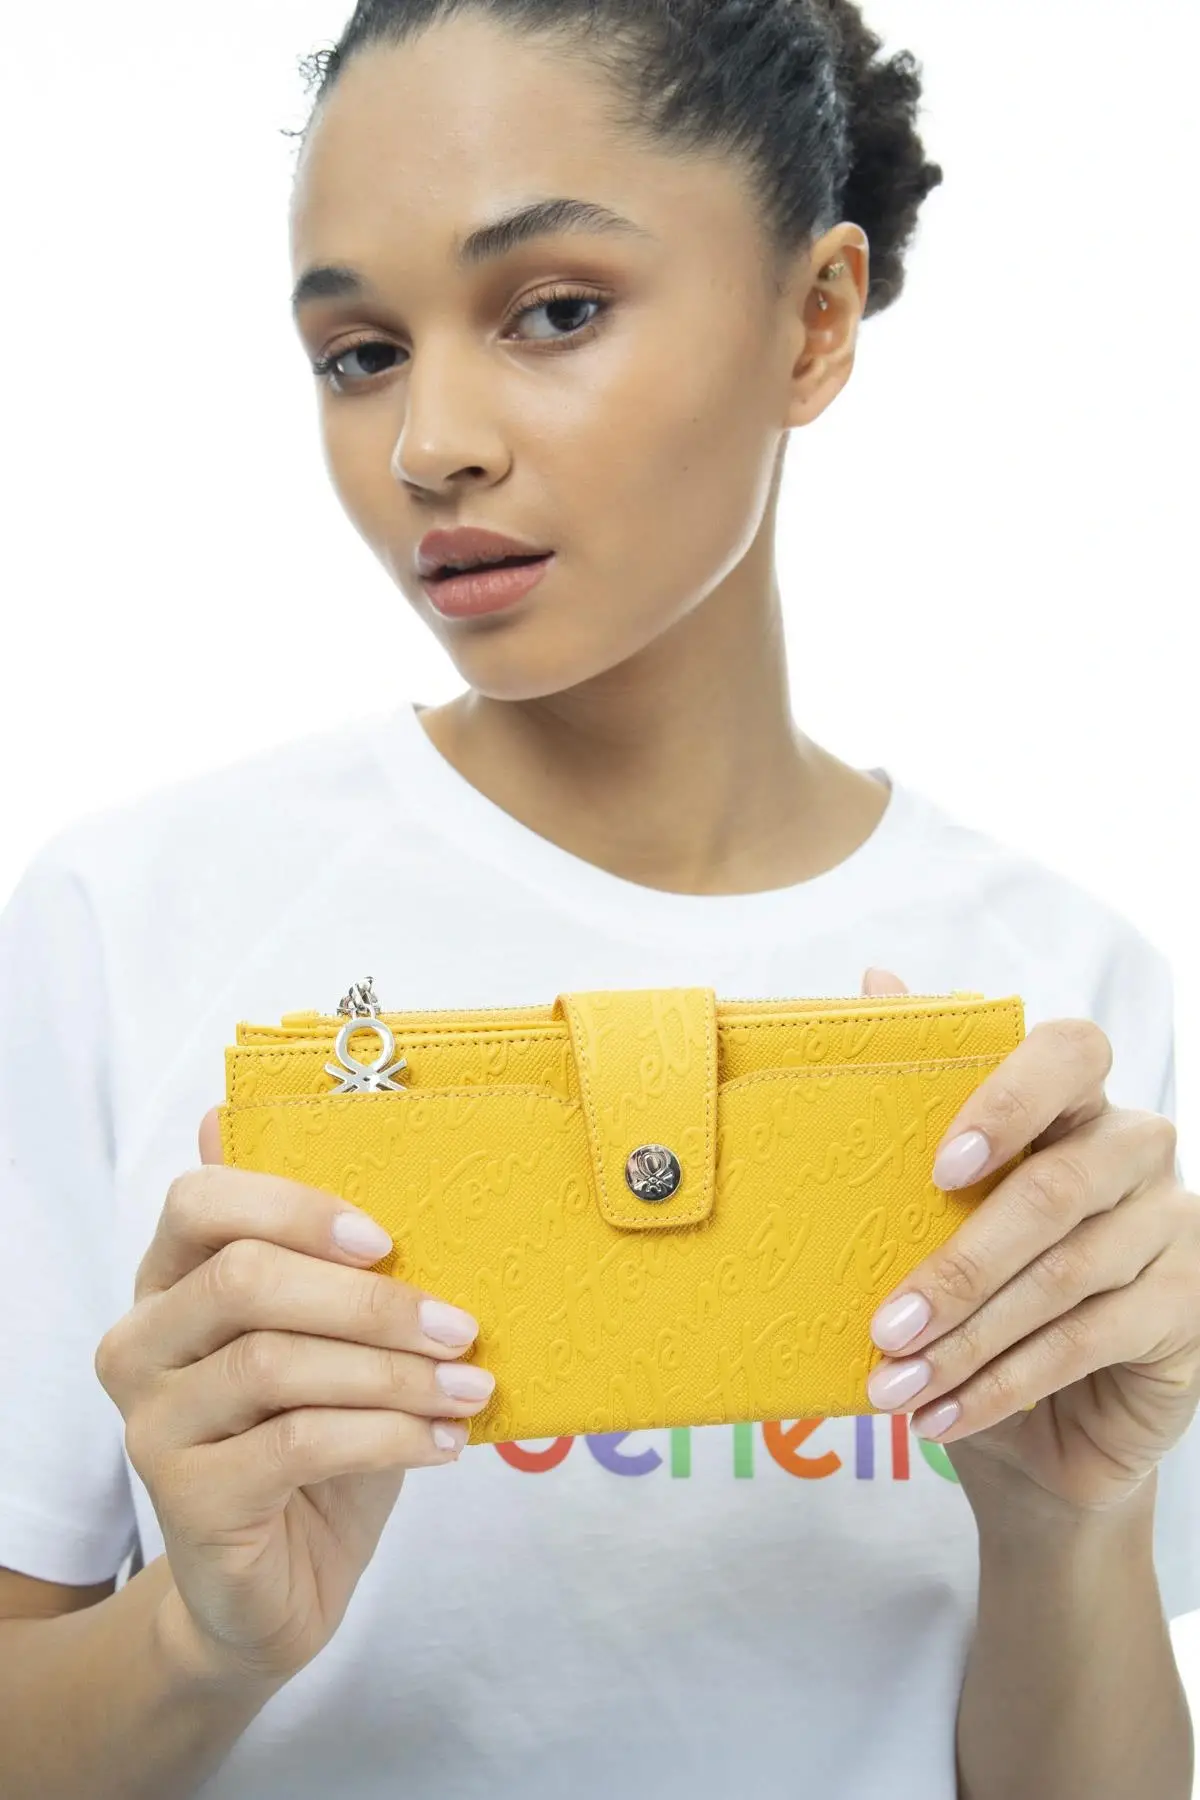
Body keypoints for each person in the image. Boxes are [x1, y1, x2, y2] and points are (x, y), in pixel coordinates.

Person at [0, 2, 1196, 1796]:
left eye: (554, 310)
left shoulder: (1057, 997)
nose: (432, 443)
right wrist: (201, 1640)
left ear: (816, 317)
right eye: (360, 352)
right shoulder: (132, 921)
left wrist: (1068, 1526)